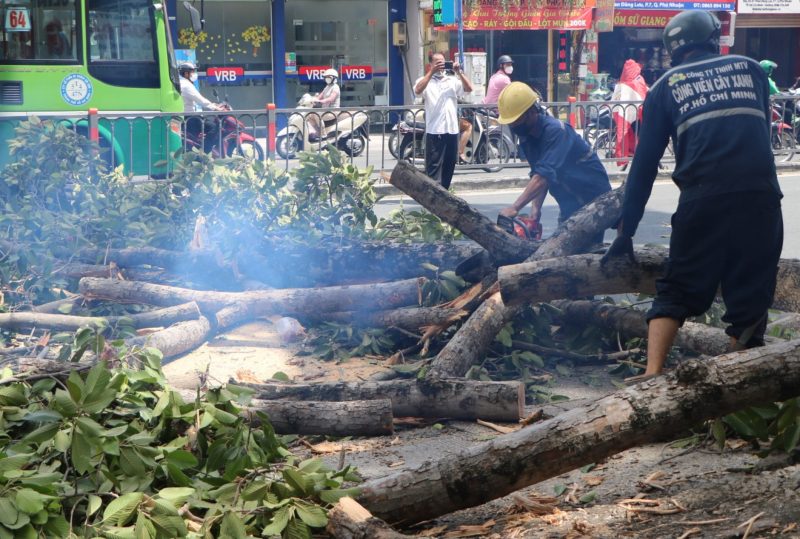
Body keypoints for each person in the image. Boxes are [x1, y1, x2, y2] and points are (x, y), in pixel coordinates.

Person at [602, 10, 783, 379]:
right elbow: (757, 133)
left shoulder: (666, 85)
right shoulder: (752, 69)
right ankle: (737, 391)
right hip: (761, 197)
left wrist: (627, 231)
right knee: (750, 301)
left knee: (678, 287)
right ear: (714, 38)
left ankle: (652, 374)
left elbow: (644, 165)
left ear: (672, 50)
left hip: (703, 200)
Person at [496, 82, 612, 243]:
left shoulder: (556, 131)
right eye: (510, 121)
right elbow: (540, 174)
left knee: (582, 254)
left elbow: (543, 175)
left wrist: (515, 208)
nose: (513, 125)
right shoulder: (526, 137)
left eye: (516, 119)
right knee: (564, 250)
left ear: (532, 112)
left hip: (593, 200)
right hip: (569, 203)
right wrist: (536, 210)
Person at [414, 52, 474, 189]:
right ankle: (433, 195)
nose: (441, 65)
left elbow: (468, 89)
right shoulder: (424, 80)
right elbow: (418, 91)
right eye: (437, 63)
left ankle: (444, 195)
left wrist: (459, 73)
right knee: (434, 168)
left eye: (443, 62)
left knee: (449, 166)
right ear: (430, 65)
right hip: (435, 131)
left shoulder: (452, 80)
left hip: (451, 130)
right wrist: (431, 73)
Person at [612, 59, 648, 167]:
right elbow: (645, 94)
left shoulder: (620, 83)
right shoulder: (638, 80)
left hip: (624, 115)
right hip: (637, 115)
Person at [179, 62, 220, 153]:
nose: (195, 74)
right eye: (192, 71)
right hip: (190, 118)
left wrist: (212, 104)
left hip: (187, 116)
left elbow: (193, 100)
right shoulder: (186, 85)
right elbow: (201, 100)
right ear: (186, 73)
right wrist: (215, 108)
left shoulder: (183, 83)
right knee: (213, 127)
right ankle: (204, 153)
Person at [308, 68, 341, 141]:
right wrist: (314, 99)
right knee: (310, 115)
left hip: (333, 112)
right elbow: (320, 96)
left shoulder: (335, 87)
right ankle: (316, 133)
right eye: (326, 77)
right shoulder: (327, 87)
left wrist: (322, 101)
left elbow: (331, 98)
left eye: (329, 77)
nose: (327, 79)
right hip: (325, 111)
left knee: (317, 115)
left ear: (334, 78)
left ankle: (323, 135)